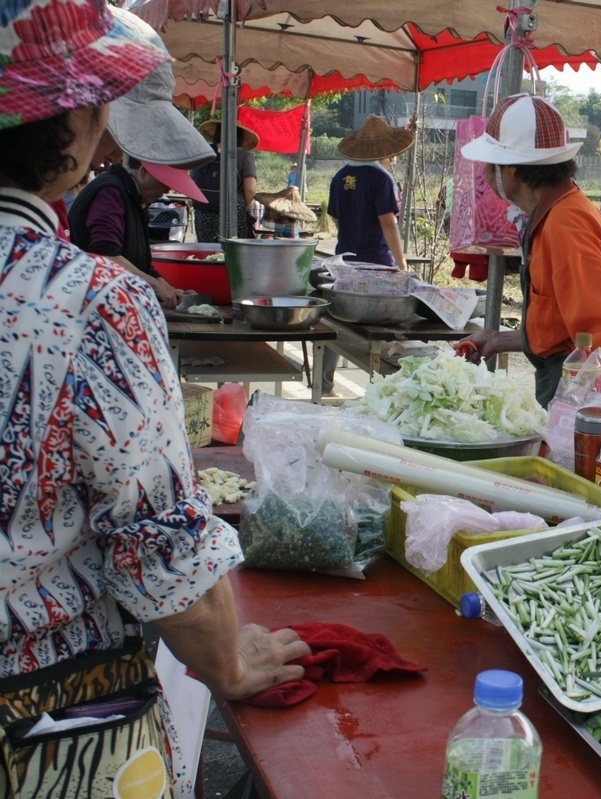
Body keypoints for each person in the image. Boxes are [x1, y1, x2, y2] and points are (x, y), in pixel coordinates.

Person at [0, 2, 309, 796]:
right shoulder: (86, 299)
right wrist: (230, 661)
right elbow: (161, 546)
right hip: (50, 733)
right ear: (67, 124)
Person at [457, 94, 601, 406]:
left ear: (513, 170)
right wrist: (498, 339)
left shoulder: (565, 226)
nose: (483, 173)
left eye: (489, 164)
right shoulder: (557, 215)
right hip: (582, 381)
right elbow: (562, 329)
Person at [68, 155, 208, 309]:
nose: (166, 190)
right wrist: (155, 286)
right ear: (144, 171)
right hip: (95, 306)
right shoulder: (110, 192)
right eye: (165, 183)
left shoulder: (131, 195)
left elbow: (136, 260)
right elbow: (106, 256)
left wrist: (165, 286)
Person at [328, 115, 412, 269]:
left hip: (344, 259)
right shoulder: (381, 179)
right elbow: (388, 223)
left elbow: (337, 220)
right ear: (385, 151)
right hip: (376, 260)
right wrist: (402, 263)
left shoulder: (339, 177)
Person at [191, 119, 259, 241]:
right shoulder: (243, 155)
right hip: (233, 211)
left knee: (209, 252)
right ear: (239, 136)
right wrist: (246, 205)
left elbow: (192, 180)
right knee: (234, 253)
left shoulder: (202, 151)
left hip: (203, 211)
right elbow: (250, 188)